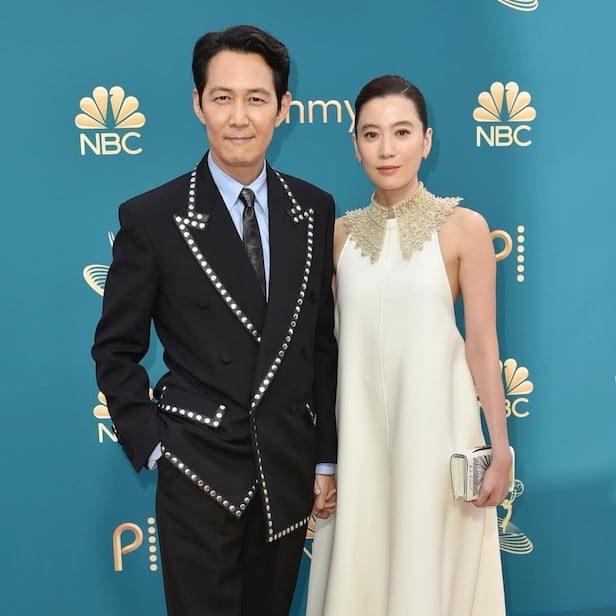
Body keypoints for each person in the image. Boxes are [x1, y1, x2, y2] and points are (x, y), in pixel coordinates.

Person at [92, 25, 338, 616]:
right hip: (196, 469)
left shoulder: (313, 208)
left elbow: (321, 345)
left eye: (256, 98)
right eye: (222, 97)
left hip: (285, 470)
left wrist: (325, 458)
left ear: (283, 107)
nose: (239, 117)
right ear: (198, 103)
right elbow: (115, 351)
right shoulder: (154, 217)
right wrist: (156, 447)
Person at [306, 75, 512, 615]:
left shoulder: (465, 228)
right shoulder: (338, 236)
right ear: (355, 145)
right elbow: (326, 353)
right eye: (371, 134)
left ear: (426, 140)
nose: (387, 149)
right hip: (359, 443)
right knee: (361, 574)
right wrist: (324, 460)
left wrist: (501, 447)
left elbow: (482, 345)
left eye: (401, 132)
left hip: (438, 443)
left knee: (431, 578)